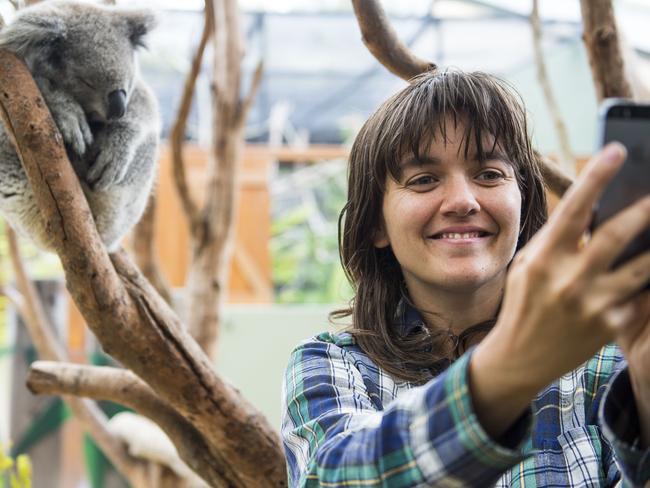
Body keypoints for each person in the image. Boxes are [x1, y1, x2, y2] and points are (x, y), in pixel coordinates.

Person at [281, 69, 650, 487]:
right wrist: (514, 367)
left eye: (489, 174)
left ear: (523, 202)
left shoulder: (602, 361)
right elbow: (332, 476)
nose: (462, 201)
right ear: (376, 225)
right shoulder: (334, 363)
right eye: (424, 180)